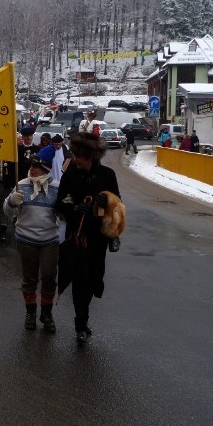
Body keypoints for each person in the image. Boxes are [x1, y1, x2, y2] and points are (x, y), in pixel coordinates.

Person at [56, 132, 121, 345]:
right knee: (79, 281)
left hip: (98, 237)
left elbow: (118, 204)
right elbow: (59, 204)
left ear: (91, 157)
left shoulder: (107, 175)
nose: (76, 160)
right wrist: (75, 208)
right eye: (75, 155)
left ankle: (84, 317)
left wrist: (108, 200)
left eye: (80, 156)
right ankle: (80, 324)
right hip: (77, 235)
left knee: (94, 279)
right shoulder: (70, 175)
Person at [4, 146, 61, 332]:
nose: (32, 169)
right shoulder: (22, 184)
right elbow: (8, 212)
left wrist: (66, 208)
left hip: (49, 241)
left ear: (45, 168)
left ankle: (47, 313)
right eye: (31, 166)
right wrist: (11, 201)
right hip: (26, 239)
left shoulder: (56, 187)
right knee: (29, 279)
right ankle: (30, 313)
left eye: (36, 167)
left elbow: (64, 215)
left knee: (49, 276)